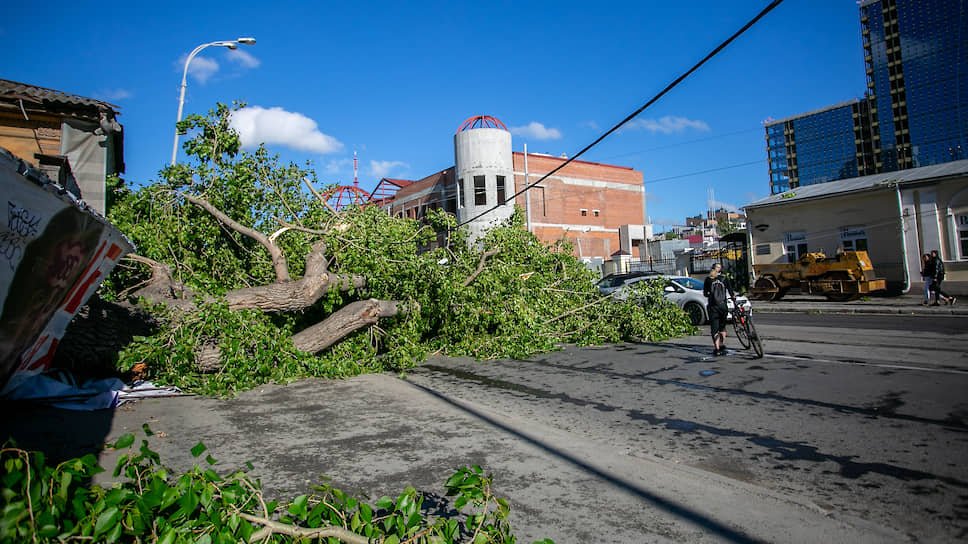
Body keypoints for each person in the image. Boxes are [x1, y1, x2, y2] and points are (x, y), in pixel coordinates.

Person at [703, 262, 735, 356]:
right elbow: (730, 290)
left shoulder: (708, 279)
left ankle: (717, 349)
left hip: (713, 307)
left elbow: (705, 293)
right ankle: (722, 344)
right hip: (723, 306)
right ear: (720, 270)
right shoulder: (724, 278)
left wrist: (710, 294)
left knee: (714, 328)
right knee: (722, 327)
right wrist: (733, 297)